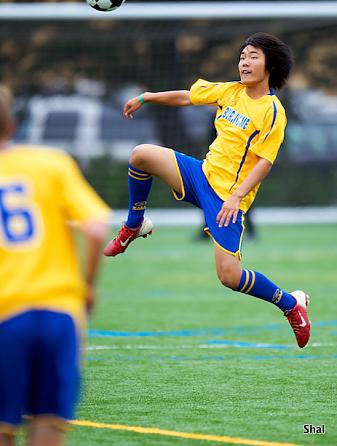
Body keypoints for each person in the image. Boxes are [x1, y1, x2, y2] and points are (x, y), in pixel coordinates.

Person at [104, 32, 311, 349]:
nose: (244, 61)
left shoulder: (272, 111)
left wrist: (236, 197)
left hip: (226, 198)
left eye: (253, 55)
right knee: (141, 155)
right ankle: (134, 224)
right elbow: (187, 97)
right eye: (242, 55)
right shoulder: (231, 91)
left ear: (271, 64)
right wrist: (147, 97)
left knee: (229, 276)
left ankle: (291, 304)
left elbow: (265, 162)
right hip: (201, 174)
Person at [0, 86, 111, 446]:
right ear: (12, 124)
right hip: (60, 313)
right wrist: (88, 286)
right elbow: (96, 229)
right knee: (48, 422)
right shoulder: (51, 162)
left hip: (5, 315)